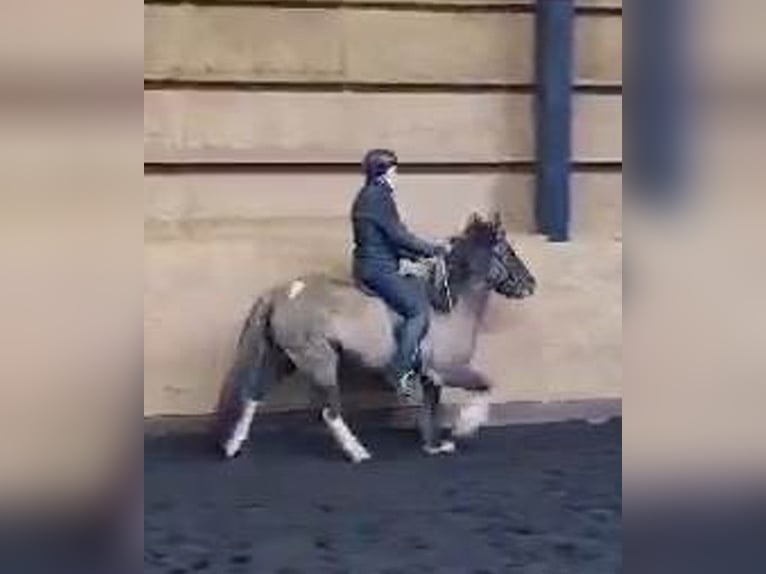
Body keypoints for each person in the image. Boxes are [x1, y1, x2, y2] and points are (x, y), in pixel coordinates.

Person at [351, 149, 446, 398]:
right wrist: (433, 249)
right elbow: (398, 235)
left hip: (376, 262)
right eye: (394, 171)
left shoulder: (368, 195)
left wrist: (419, 256)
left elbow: (387, 239)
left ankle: (415, 359)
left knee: (417, 285)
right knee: (418, 311)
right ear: (384, 173)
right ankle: (399, 371)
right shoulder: (377, 197)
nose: (396, 175)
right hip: (378, 269)